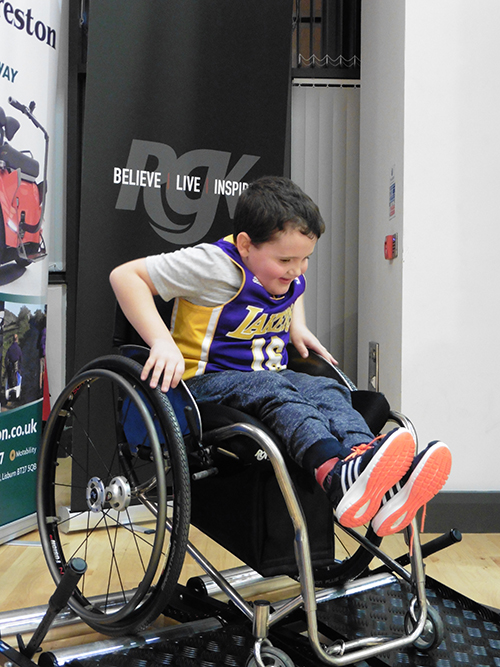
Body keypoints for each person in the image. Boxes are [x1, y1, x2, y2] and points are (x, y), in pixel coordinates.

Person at [110, 175, 452, 537]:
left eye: (305, 258)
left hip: (268, 374)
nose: (297, 268)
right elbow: (125, 276)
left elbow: (293, 288)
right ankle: (334, 475)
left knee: (326, 390)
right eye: (286, 259)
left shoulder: (285, 268)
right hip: (204, 385)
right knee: (278, 393)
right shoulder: (213, 265)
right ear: (245, 245)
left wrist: (296, 326)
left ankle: (370, 472)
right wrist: (161, 341)